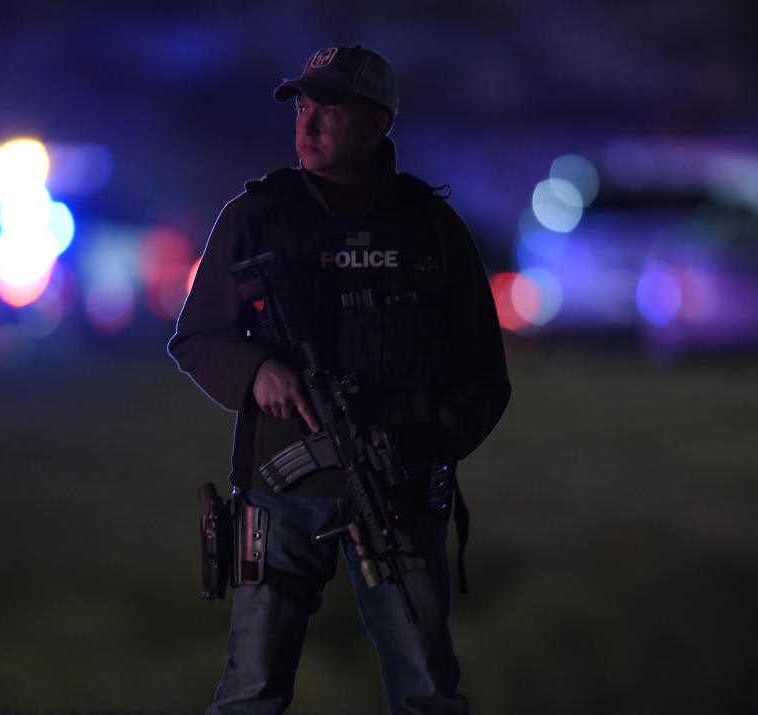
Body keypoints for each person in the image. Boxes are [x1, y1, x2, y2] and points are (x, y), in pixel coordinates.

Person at [169, 44, 510, 715]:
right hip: (281, 489)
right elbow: (196, 337)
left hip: (399, 495)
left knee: (427, 688)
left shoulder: (431, 228)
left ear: (378, 121)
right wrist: (256, 369)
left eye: (331, 108)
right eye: (302, 104)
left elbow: (482, 376)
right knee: (251, 688)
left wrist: (422, 441)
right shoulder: (256, 218)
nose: (309, 122)